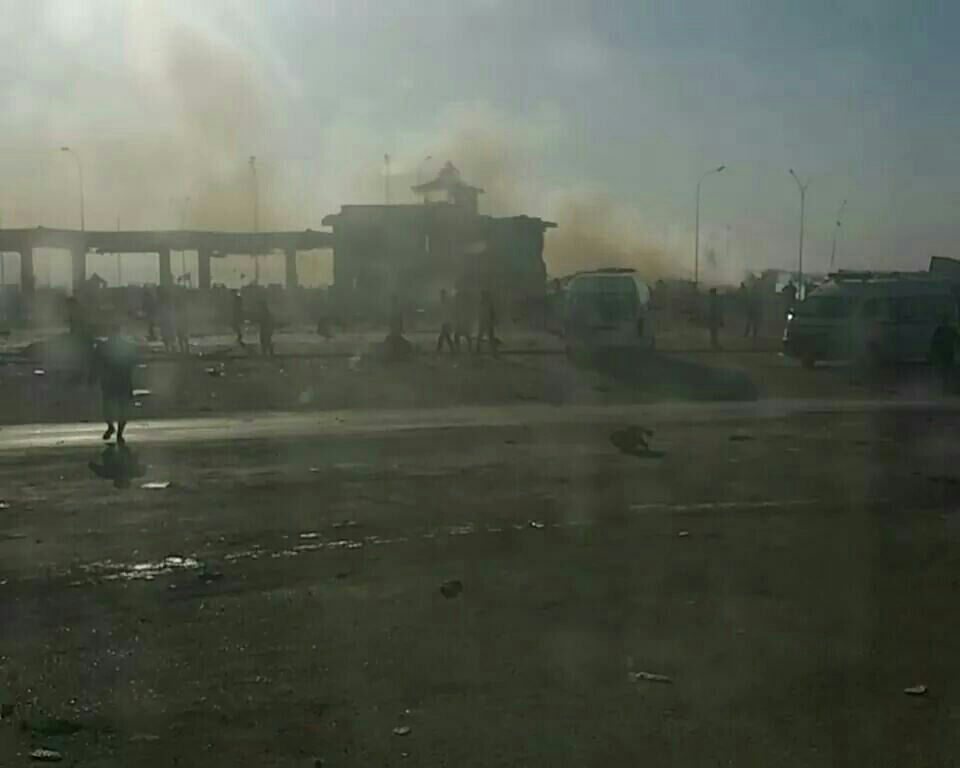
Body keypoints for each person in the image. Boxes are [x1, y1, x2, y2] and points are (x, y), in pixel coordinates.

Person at [94, 324, 137, 443]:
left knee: (108, 406)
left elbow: (96, 362)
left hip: (110, 380)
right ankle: (119, 433)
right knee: (123, 408)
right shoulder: (127, 346)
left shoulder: (103, 347)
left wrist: (94, 375)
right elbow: (134, 361)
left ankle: (112, 427)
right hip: (123, 379)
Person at [931, 315, 957, 393]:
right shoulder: (950, 329)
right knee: (948, 369)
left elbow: (934, 341)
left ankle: (946, 387)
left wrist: (935, 350)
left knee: (945, 370)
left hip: (945, 352)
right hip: (948, 352)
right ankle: (947, 386)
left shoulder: (941, 330)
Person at [475, 289, 500, 356]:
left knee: (490, 337)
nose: (483, 296)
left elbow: (492, 312)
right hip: (483, 322)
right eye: (482, 295)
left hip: (488, 322)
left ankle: (494, 351)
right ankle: (478, 350)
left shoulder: (489, 303)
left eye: (484, 295)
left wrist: (494, 321)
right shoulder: (481, 303)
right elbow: (479, 313)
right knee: (481, 336)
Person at [454, 289, 473, 353]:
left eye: (457, 296)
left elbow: (463, 313)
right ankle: (460, 349)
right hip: (461, 322)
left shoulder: (461, 304)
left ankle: (463, 349)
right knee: (459, 335)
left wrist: (463, 321)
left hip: (463, 322)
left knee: (463, 334)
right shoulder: (459, 303)